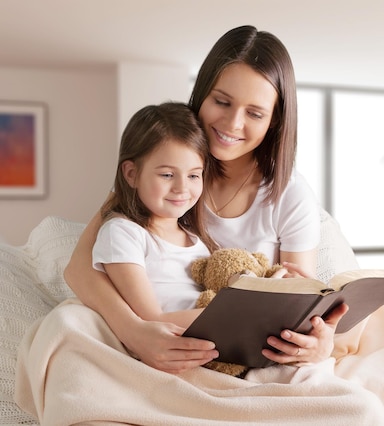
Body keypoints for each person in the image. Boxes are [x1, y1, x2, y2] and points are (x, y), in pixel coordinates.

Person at [64, 25, 348, 374]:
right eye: (222, 102)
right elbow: (79, 269)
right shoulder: (163, 171)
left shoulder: (289, 193)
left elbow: (298, 297)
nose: (232, 123)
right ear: (201, 95)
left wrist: (319, 345)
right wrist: (135, 331)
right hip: (170, 333)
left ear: (274, 122)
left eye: (255, 113)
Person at [91, 101, 216, 329]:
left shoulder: (197, 240)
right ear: (131, 174)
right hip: (170, 345)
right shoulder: (123, 233)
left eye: (193, 176)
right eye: (167, 175)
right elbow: (151, 320)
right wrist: (229, 317)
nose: (182, 188)